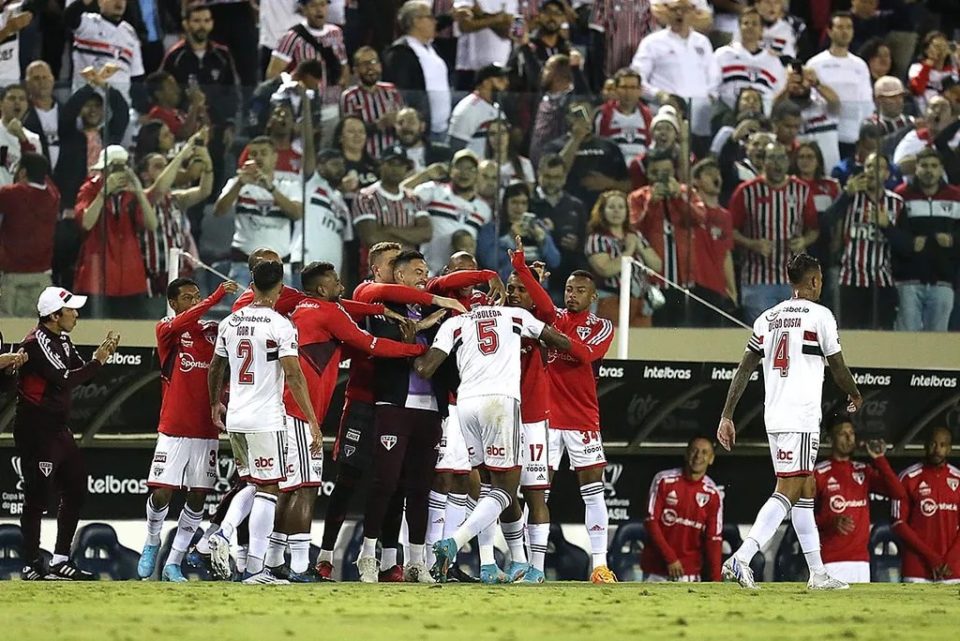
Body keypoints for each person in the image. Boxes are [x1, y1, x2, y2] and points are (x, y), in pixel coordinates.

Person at [266, 261, 426, 582]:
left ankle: (272, 561)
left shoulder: (299, 304)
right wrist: (414, 349)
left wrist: (379, 310)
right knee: (305, 487)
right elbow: (371, 344)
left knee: (287, 487)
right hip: (300, 409)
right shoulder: (329, 312)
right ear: (323, 289)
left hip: (277, 406)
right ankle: (298, 566)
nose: (341, 285)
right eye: (336, 282)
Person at [716, 253, 862, 591]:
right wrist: (855, 394)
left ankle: (818, 573)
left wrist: (727, 414)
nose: (821, 284)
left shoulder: (767, 318)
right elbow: (837, 367)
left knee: (806, 489)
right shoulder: (821, 315)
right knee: (790, 488)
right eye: (821, 279)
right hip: (801, 415)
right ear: (812, 281)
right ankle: (741, 557)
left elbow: (744, 369)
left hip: (776, 413)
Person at [419, 304, 571, 582]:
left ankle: (493, 565)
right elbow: (561, 342)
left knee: (489, 486)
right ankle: (453, 541)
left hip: (465, 404)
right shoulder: (515, 315)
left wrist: (409, 340)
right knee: (506, 488)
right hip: (500, 402)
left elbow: (425, 368)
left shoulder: (455, 323)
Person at [206, 261, 321, 585]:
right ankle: (256, 569)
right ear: (281, 288)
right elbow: (295, 375)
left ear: (251, 285)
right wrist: (311, 420)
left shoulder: (229, 322)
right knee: (269, 488)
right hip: (266, 418)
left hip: (237, 417)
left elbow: (215, 368)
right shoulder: (280, 325)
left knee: (252, 482)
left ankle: (225, 531)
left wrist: (216, 404)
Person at [511, 247, 619, 583]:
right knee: (537, 493)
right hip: (545, 420)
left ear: (593, 295)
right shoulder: (552, 316)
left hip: (582, 419)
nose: (572, 295)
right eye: (569, 289)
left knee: (594, 491)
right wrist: (520, 266)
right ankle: (535, 568)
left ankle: (599, 564)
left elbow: (587, 355)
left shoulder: (602, 325)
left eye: (580, 291)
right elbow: (538, 300)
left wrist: (554, 339)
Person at [355, 250, 450, 583]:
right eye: (418, 272)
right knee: (385, 482)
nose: (425, 276)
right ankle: (368, 555)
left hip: (430, 408)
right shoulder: (382, 309)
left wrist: (425, 329)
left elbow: (443, 354)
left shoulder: (432, 311)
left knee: (420, 488)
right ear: (399, 276)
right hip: (394, 403)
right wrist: (419, 339)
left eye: (427, 270)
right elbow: (387, 347)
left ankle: (416, 561)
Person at [136, 277, 239, 583]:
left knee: (197, 498)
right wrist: (216, 295)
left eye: (197, 297)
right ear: (173, 303)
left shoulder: (211, 333)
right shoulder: (167, 330)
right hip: (174, 428)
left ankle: (174, 562)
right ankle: (152, 540)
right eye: (188, 298)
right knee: (162, 493)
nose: (195, 302)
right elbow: (185, 320)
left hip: (206, 430)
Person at [16, 287, 119, 580]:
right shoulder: (36, 343)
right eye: (70, 309)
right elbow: (66, 379)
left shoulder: (61, 338)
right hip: (37, 430)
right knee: (37, 498)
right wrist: (98, 360)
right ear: (53, 315)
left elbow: (79, 369)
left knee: (75, 489)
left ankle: (61, 559)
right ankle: (31, 563)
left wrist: (103, 354)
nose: (76, 313)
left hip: (58, 430)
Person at [730, 142, 820, 325]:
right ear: (764, 162)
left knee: (793, 338)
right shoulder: (746, 191)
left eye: (782, 158)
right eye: (772, 158)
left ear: (788, 162)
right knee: (764, 339)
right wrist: (751, 243)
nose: (777, 164)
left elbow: (814, 229)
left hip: (794, 280)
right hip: (758, 280)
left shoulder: (801, 190)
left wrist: (803, 240)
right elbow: (730, 230)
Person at [813, 413, 906, 584]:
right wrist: (830, 522)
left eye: (852, 433)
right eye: (842, 433)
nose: (849, 438)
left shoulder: (863, 470)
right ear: (830, 439)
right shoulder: (819, 473)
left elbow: (898, 493)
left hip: (861, 561)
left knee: (860, 611)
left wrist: (879, 459)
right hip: (830, 560)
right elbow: (802, 516)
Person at [73, 145, 158, 318]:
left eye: (122, 167)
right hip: (97, 276)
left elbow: (152, 224)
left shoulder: (132, 194)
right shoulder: (89, 189)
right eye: (114, 167)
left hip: (130, 277)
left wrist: (139, 191)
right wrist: (104, 193)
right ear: (103, 170)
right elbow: (87, 223)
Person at [823, 152, 903, 330]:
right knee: (850, 339)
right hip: (850, 281)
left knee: (882, 340)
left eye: (879, 168)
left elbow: (904, 246)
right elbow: (825, 222)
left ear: (887, 174)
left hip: (882, 282)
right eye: (868, 166)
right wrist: (845, 194)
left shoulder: (896, 203)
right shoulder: (851, 198)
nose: (872, 171)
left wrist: (886, 226)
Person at [630, 148, 706, 326]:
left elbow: (700, 218)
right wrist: (651, 203)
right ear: (647, 173)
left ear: (674, 172)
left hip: (684, 278)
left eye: (666, 173)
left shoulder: (686, 192)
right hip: (652, 280)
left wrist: (679, 198)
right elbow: (634, 229)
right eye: (655, 172)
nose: (660, 178)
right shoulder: (637, 197)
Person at [214, 137, 303, 288]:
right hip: (243, 266)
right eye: (253, 154)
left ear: (275, 157)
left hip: (278, 269)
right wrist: (240, 184)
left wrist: (271, 189)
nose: (258, 157)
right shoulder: (236, 183)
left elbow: (296, 214)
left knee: (278, 312)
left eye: (263, 153)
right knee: (240, 312)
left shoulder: (290, 186)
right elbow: (219, 211)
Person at [138, 133, 214, 303]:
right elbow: (158, 189)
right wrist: (184, 152)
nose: (166, 170)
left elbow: (204, 191)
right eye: (159, 166)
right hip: (152, 278)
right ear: (144, 175)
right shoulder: (140, 198)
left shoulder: (174, 198)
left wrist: (207, 165)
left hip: (180, 277)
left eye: (166, 166)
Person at [892, 148, 960, 332]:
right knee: (906, 341)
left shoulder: (956, 196)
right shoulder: (900, 195)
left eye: (933, 166)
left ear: (941, 169)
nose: (929, 170)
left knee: (937, 344)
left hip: (943, 281)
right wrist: (909, 243)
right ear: (916, 169)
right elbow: (892, 232)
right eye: (924, 166)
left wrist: (953, 240)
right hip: (908, 281)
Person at [631, 0, 720, 141]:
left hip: (699, 114)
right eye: (675, 9)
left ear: (693, 12)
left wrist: (710, 96)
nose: (680, 14)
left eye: (685, 10)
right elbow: (636, 78)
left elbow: (714, 76)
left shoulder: (702, 42)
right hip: (665, 112)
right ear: (667, 12)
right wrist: (659, 95)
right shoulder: (652, 42)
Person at [642, 436, 722, 582]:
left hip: (689, 574)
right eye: (694, 451)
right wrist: (670, 558)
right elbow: (650, 521)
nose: (698, 456)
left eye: (705, 453)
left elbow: (714, 540)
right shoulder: (663, 480)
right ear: (686, 454)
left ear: (711, 459)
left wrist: (717, 581)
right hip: (656, 571)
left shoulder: (713, 494)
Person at [405, 149, 493, 276]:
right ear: (451, 170)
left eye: (470, 169)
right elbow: (398, 195)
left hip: (461, 279)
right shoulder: (434, 190)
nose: (465, 173)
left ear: (477, 174)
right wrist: (425, 174)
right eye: (460, 167)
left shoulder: (484, 209)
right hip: (428, 274)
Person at [892, 427, 960, 584]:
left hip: (951, 569)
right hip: (917, 568)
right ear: (925, 445)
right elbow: (898, 523)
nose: (937, 450)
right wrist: (931, 557)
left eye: (942, 445)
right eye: (933, 444)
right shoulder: (908, 477)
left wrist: (951, 558)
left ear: (949, 449)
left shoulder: (958, 478)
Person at [584, 189, 661, 327]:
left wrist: (640, 247)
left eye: (621, 207)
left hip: (641, 303)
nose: (616, 211)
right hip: (611, 300)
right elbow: (605, 269)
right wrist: (629, 250)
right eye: (611, 207)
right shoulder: (596, 239)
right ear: (602, 211)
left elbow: (657, 265)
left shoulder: (634, 235)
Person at [806, 12, 874, 160]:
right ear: (830, 31)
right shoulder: (815, 64)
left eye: (849, 27)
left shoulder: (860, 65)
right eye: (840, 27)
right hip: (824, 131)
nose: (845, 31)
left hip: (852, 134)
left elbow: (867, 103)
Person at [381, 1, 451, 143]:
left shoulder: (432, 49)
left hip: (442, 127)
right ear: (416, 21)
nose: (434, 21)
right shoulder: (400, 52)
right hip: (419, 130)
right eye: (430, 17)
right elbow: (403, 91)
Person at [0, 153, 60, 317]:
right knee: (38, 336)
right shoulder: (54, 196)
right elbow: (45, 180)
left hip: (12, 278)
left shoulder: (11, 194)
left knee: (8, 336)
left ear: (22, 172)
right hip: (42, 278)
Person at [542, 100, 631, 210]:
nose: (583, 118)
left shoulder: (609, 146)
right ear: (569, 118)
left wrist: (609, 183)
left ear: (593, 115)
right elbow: (558, 171)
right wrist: (576, 138)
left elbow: (628, 184)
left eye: (586, 113)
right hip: (568, 209)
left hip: (604, 209)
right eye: (577, 114)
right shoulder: (554, 146)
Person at [352, 145, 431, 256]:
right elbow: (372, 238)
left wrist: (390, 229)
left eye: (400, 165)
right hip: (376, 269)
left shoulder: (413, 198)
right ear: (381, 165)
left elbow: (426, 234)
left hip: (407, 270)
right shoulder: (365, 196)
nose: (396, 169)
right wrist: (409, 239)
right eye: (391, 163)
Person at [530, 153, 587, 303]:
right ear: (539, 174)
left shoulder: (576, 206)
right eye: (547, 176)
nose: (551, 182)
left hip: (568, 280)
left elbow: (585, 241)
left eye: (557, 177)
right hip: (536, 280)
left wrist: (577, 245)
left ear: (565, 177)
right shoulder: (528, 203)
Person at [65, 0, 144, 103]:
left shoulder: (130, 33)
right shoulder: (88, 23)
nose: (119, 2)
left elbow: (137, 77)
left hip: (120, 108)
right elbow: (69, 18)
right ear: (100, 2)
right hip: (89, 105)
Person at [691, 157, 738, 327]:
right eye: (709, 174)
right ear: (696, 180)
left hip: (717, 287)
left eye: (717, 174)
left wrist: (732, 289)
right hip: (695, 285)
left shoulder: (725, 216)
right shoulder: (690, 210)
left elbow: (726, 253)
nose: (715, 178)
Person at [714, 7, 787, 114]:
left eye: (754, 23)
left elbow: (779, 93)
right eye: (746, 23)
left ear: (762, 30)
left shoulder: (773, 61)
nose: (750, 27)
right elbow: (712, 87)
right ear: (739, 27)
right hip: (728, 114)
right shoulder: (723, 54)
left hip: (763, 117)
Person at [291, 147, 351, 276]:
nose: (340, 168)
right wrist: (307, 127)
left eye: (342, 165)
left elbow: (344, 246)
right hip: (306, 265)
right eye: (334, 164)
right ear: (320, 166)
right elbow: (308, 153)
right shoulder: (311, 184)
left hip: (331, 275)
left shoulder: (343, 205)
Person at [267, 0, 348, 93]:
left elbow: (344, 65)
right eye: (313, 5)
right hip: (306, 102)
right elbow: (273, 73)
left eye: (323, 4)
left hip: (333, 100)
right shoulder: (292, 36)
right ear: (304, 9)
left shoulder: (336, 33)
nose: (319, 10)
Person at [340, 46, 404, 159]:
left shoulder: (392, 90)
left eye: (373, 62)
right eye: (364, 64)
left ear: (380, 66)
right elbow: (349, 133)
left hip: (394, 156)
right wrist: (379, 125)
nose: (370, 68)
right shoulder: (349, 97)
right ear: (355, 70)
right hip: (366, 159)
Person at [451, 0, 517, 90]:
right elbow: (464, 25)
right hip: (469, 70)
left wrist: (481, 15)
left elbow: (510, 32)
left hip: (500, 69)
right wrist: (497, 19)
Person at [593, 68, 654, 163]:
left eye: (633, 88)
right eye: (624, 87)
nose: (628, 92)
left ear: (640, 90)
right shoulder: (602, 114)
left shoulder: (648, 116)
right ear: (616, 89)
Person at [448, 64, 509, 155]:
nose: (506, 83)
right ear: (485, 82)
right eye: (500, 79)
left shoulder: (496, 106)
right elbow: (456, 148)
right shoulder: (468, 109)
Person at [908, 31, 959, 113]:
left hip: (949, 113)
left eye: (943, 46)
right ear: (926, 49)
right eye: (936, 46)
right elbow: (917, 90)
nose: (940, 50)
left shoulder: (953, 71)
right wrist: (928, 66)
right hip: (925, 110)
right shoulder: (917, 68)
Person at [0, 84, 41, 186]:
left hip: (17, 199)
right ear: (1, 104)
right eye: (12, 98)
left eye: (22, 99)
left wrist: (22, 138)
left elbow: (36, 174)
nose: (17, 102)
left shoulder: (33, 139)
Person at [23, 61, 60, 168]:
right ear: (27, 83)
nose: (42, 82)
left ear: (52, 80)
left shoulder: (66, 112)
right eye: (36, 78)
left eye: (45, 77)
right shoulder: (21, 113)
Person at [393, 106, 453, 171]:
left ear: (422, 126)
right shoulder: (389, 155)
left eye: (411, 122)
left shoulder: (443, 153)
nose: (405, 126)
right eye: (400, 123)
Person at [866, 76, 914, 157]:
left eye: (900, 96)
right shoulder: (870, 124)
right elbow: (879, 148)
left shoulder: (911, 120)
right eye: (892, 97)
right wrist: (909, 128)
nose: (898, 101)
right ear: (877, 100)